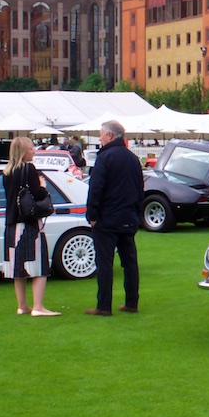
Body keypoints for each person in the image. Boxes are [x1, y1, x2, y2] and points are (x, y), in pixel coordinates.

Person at [85, 120, 144, 316]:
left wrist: (92, 215)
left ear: (110, 135)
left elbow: (96, 189)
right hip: (128, 217)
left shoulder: (105, 158)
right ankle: (131, 302)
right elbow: (139, 188)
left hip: (107, 219)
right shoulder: (132, 159)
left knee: (105, 263)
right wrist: (136, 213)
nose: (99, 138)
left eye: (101, 134)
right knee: (129, 263)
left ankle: (103, 306)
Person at [3, 137, 58, 317]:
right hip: (29, 224)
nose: (34, 151)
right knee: (39, 265)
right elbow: (37, 195)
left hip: (12, 225)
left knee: (18, 268)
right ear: (23, 151)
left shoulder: (7, 172)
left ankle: (22, 305)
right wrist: (43, 187)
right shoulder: (29, 169)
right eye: (31, 149)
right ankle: (38, 306)